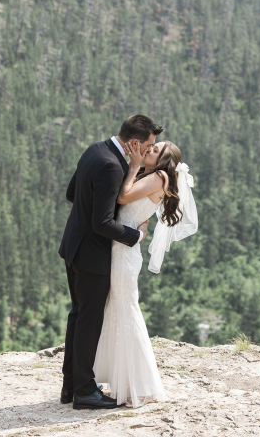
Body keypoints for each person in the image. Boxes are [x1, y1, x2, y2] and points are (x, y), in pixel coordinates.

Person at [58, 115, 163, 410]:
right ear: (134, 144)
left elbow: (71, 193)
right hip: (93, 256)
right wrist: (136, 235)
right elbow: (103, 223)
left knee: (79, 315)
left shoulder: (95, 149)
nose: (149, 150)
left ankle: (70, 386)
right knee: (89, 321)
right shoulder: (111, 166)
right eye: (149, 145)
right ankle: (85, 392)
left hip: (73, 245)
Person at [93, 139, 198, 408]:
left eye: (155, 149)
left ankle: (138, 386)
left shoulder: (160, 176)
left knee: (126, 312)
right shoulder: (154, 176)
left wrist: (133, 166)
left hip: (124, 252)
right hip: (120, 247)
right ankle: (124, 382)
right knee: (118, 311)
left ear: (164, 160)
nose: (149, 148)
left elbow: (122, 197)